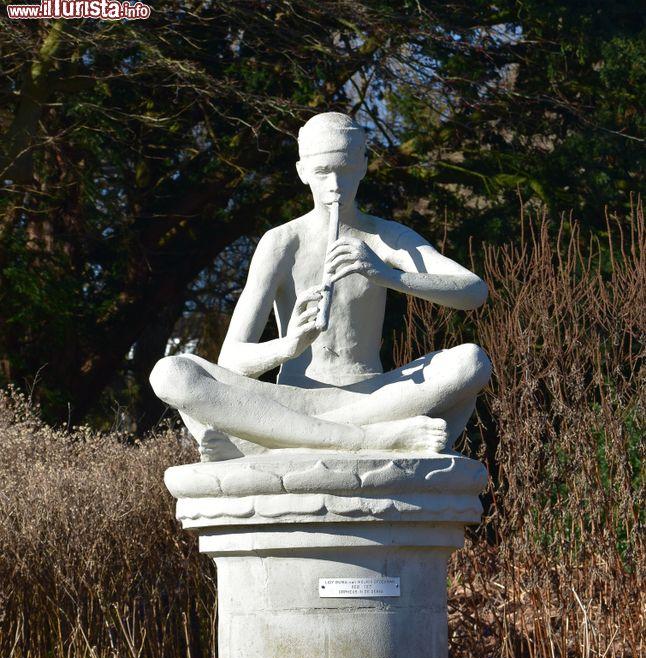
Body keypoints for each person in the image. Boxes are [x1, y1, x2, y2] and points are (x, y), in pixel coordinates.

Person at [150, 112, 491, 459]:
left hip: (372, 399)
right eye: (322, 172)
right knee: (171, 373)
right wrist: (288, 347)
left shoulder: (385, 236)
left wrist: (387, 275)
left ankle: (267, 439)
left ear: (362, 166)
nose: (335, 185)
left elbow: (473, 291)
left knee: (471, 362)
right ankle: (373, 440)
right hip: (289, 402)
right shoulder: (282, 242)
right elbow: (232, 359)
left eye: (344, 170)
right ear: (302, 172)